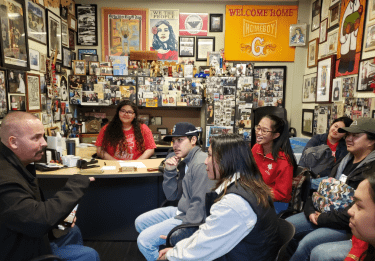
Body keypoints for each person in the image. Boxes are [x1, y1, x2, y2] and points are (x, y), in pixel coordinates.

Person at [157, 134, 280, 261]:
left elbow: (204, 246)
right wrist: (179, 248)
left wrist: (170, 255)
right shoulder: (247, 183)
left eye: (210, 155)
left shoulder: (233, 203)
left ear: (226, 160)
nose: (205, 161)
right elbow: (208, 232)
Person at [0, 112, 99, 261]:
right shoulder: (5, 179)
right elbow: (37, 221)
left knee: (72, 230)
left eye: (42, 136)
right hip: (18, 251)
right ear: (13, 142)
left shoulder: (17, 164)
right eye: (36, 138)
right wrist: (76, 184)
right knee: (89, 255)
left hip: (25, 235)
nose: (44, 143)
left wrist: (58, 220)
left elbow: (27, 213)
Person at [286, 117, 375, 261]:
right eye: (348, 135)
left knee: (307, 244)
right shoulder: (344, 160)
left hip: (345, 225)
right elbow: (321, 191)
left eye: (356, 136)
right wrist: (309, 211)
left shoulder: (371, 173)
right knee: (287, 227)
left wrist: (322, 219)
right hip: (321, 212)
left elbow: (355, 212)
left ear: (371, 141)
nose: (349, 139)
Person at [135, 122, 213, 261]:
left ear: (193, 140)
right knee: (140, 222)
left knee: (144, 241)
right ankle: (164, 251)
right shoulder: (185, 161)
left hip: (191, 219)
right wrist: (170, 171)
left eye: (180, 140)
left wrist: (181, 236)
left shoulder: (201, 164)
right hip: (182, 211)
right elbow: (172, 195)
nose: (175, 145)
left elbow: (199, 207)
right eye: (173, 141)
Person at [252, 115, 297, 204]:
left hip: (274, 202)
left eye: (264, 131)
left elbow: (282, 194)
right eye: (258, 128)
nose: (259, 133)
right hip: (256, 194)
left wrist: (256, 193)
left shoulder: (283, 161)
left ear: (275, 135)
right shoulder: (256, 148)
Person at [299, 116, 353, 188]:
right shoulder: (317, 139)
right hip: (311, 175)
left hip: (330, 179)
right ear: (331, 125)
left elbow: (339, 168)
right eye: (335, 126)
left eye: (340, 130)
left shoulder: (345, 146)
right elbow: (305, 158)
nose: (336, 130)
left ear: (345, 134)